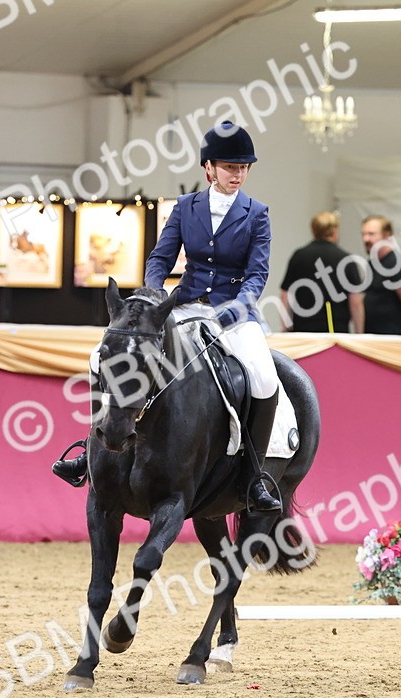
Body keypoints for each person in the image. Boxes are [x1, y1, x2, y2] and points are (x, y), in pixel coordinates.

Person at [52, 120, 283, 513]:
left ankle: (253, 476)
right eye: (230, 167)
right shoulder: (185, 208)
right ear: (209, 168)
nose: (238, 175)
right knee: (100, 358)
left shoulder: (257, 214)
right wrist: (154, 293)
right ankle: (92, 451)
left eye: (243, 168)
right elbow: (161, 257)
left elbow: (258, 273)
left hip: (234, 313)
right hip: (184, 305)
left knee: (263, 377)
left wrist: (237, 308)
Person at [279, 212, 364, 333]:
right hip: (336, 331)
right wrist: (359, 333)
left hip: (303, 330)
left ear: (313, 230)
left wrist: (285, 328)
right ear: (334, 231)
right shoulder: (346, 259)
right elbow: (355, 300)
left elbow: (285, 295)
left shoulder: (298, 256)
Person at [361, 214, 401, 336]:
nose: (366, 239)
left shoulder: (396, 263)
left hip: (394, 336)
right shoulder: (372, 263)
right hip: (373, 337)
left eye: (371, 234)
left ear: (387, 235)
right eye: (363, 234)